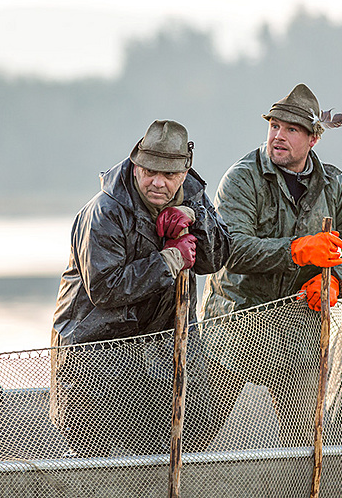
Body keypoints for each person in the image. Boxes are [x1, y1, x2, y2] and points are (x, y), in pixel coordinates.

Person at [200, 83, 342, 447]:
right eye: (274, 126)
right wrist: (298, 250)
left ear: (314, 138)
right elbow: (230, 248)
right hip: (233, 328)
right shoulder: (241, 178)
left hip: (298, 335)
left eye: (292, 129)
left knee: (306, 441)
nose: (278, 136)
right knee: (196, 431)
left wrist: (336, 283)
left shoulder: (333, 185)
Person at [50, 120, 231, 457]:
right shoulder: (104, 212)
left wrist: (196, 217)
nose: (157, 183)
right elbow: (105, 289)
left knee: (206, 409)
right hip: (94, 352)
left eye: (168, 175)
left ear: (184, 172)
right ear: (135, 164)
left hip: (167, 341)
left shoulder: (193, 194)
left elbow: (216, 258)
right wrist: (169, 261)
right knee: (111, 449)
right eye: (149, 171)